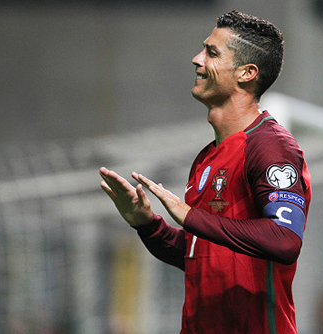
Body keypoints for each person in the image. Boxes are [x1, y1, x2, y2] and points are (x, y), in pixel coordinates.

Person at [100, 10, 311, 334]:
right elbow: (201, 256)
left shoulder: (270, 146)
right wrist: (147, 224)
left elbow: (285, 240)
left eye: (212, 53)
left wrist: (190, 216)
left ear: (246, 73)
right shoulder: (206, 159)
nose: (197, 59)